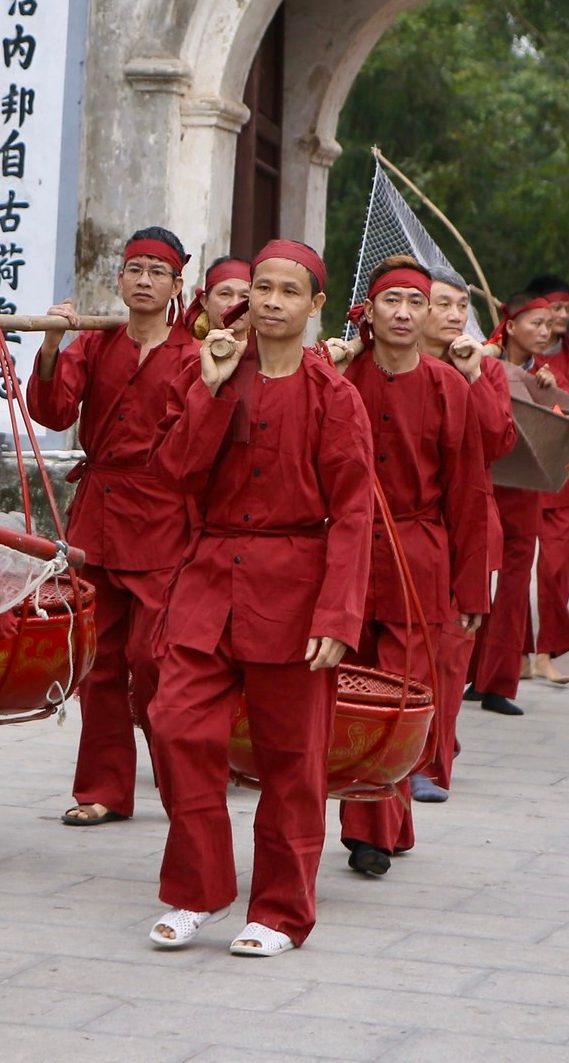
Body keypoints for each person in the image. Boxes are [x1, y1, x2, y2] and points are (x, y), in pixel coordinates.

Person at [144, 239, 373, 957]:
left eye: (287, 291)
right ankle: (199, 890)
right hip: (209, 577)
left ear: (313, 306)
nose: (271, 301)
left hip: (295, 587)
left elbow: (355, 511)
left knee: (291, 758)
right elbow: (176, 470)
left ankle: (278, 911)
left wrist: (338, 615)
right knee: (174, 724)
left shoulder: (334, 396)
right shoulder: (215, 372)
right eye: (261, 288)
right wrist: (209, 387)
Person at [27, 228, 196, 826]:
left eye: (157, 271)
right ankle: (102, 789)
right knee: (98, 660)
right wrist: (50, 346)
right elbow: (52, 410)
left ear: (179, 286)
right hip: (99, 512)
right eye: (135, 269)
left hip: (165, 520)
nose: (144, 279)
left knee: (156, 662)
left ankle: (184, 786)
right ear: (120, 280)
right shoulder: (96, 343)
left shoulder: (198, 354)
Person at [328, 256, 489, 870]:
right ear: (368, 311)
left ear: (429, 315)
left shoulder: (450, 388)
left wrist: (471, 590)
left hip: (419, 558)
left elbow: (468, 492)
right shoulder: (339, 379)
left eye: (414, 303)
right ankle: (381, 822)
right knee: (350, 689)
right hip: (345, 554)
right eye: (390, 300)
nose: (402, 312)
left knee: (398, 694)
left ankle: (371, 831)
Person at [408, 271, 523, 718]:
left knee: (452, 648)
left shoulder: (485, 368)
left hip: (467, 525)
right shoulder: (391, 363)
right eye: (443, 304)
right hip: (405, 528)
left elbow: (498, 442)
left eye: (462, 305)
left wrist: (473, 373)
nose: (455, 315)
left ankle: (435, 754)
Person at [495, 292, 569, 685]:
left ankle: (501, 677)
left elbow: (562, 428)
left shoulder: (546, 375)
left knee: (515, 584)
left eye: (550, 325)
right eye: (537, 323)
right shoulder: (478, 360)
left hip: (526, 489)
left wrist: (547, 392)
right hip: (485, 486)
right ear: (510, 326)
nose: (546, 332)